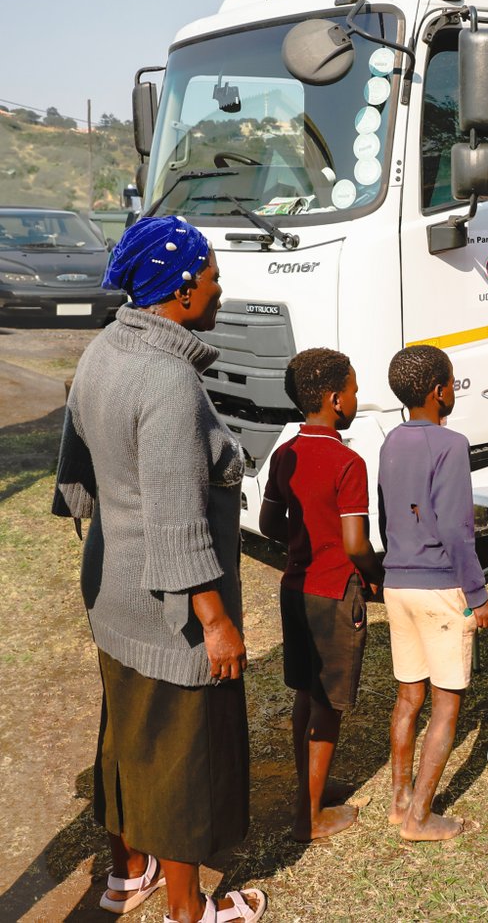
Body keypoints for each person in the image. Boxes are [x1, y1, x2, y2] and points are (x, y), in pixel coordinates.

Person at [52, 215, 266, 923]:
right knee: (181, 757)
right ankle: (186, 909)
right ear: (180, 290)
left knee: (126, 738)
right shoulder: (168, 380)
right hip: (167, 610)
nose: (219, 285)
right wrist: (215, 623)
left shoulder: (105, 349)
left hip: (112, 587)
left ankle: (127, 873)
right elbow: (177, 518)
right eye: (211, 274)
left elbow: (75, 464)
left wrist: (100, 513)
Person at [259, 348, 385, 843]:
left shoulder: (285, 454)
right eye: (353, 389)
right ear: (336, 400)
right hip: (335, 594)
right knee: (328, 706)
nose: (356, 396)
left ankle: (308, 793)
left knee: (305, 695)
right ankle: (310, 818)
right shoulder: (347, 462)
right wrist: (374, 574)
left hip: (295, 589)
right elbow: (356, 544)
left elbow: (270, 522)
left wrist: (300, 541)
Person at [377, 345, 488, 839]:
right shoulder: (450, 444)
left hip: (396, 583)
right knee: (446, 703)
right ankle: (421, 817)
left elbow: (387, 517)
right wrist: (478, 593)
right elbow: (457, 530)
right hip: (440, 588)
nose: (454, 389)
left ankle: (400, 798)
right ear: (438, 391)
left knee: (409, 695)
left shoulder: (389, 443)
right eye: (451, 381)